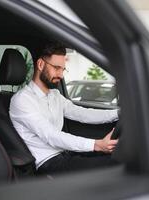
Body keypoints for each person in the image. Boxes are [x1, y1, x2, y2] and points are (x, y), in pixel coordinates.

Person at [9, 42, 119, 175]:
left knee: (116, 159)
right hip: (48, 163)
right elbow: (51, 135)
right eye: (56, 68)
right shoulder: (22, 100)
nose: (61, 75)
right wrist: (96, 145)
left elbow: (82, 114)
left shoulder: (54, 95)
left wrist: (118, 113)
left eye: (63, 69)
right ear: (40, 64)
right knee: (111, 167)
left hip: (64, 153)